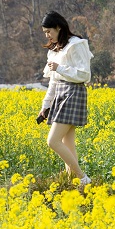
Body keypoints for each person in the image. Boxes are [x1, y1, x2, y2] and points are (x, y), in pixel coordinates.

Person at [37, 11, 93, 186]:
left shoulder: (76, 45)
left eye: (49, 31)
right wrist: (45, 106)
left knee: (52, 141)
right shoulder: (55, 50)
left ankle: (83, 177)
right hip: (60, 92)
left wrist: (60, 68)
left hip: (73, 92)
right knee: (67, 142)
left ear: (59, 27)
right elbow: (53, 82)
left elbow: (84, 75)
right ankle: (71, 181)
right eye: (45, 32)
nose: (47, 35)